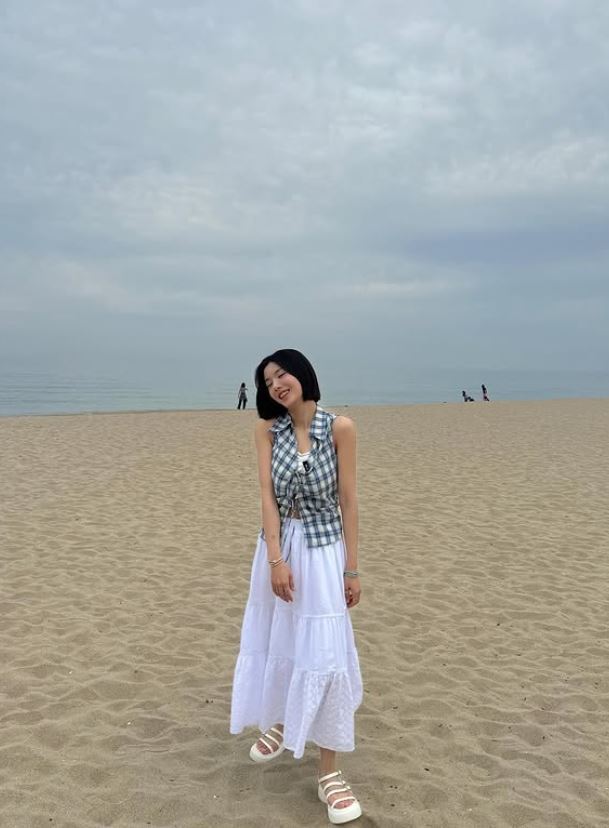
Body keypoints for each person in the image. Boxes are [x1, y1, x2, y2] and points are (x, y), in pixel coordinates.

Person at [230, 348, 363, 824]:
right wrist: (275, 559)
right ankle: (282, 720)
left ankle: (329, 773)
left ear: (303, 373)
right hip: (280, 546)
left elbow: (349, 500)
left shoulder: (339, 428)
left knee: (325, 653)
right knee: (280, 637)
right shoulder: (267, 431)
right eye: (267, 382)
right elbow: (266, 495)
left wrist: (352, 569)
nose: (276, 385)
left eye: (282, 374)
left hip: (325, 550)